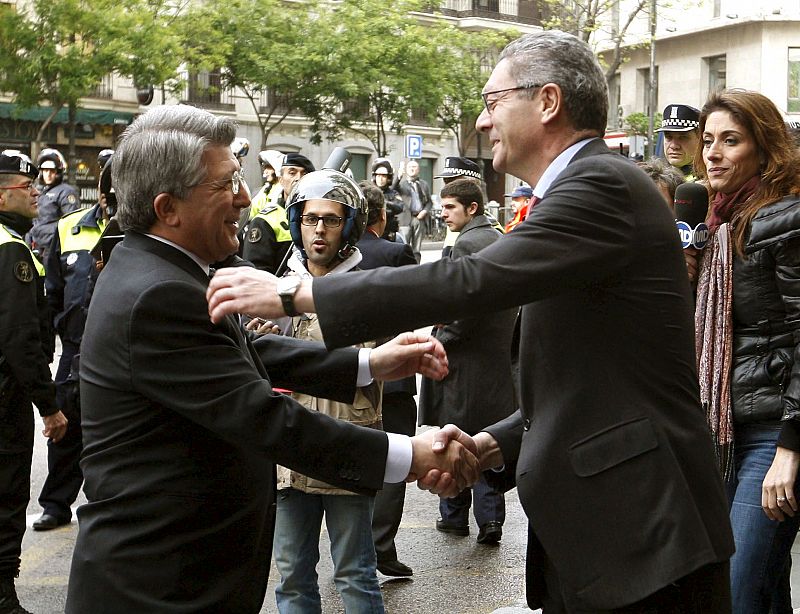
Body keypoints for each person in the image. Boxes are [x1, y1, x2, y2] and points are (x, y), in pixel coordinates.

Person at [208, 30, 736, 613]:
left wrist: (296, 296)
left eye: (492, 102)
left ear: (548, 102)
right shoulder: (582, 190)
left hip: (644, 533)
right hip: (611, 531)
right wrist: (489, 444)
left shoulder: (601, 185)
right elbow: (587, 378)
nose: (483, 124)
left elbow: (469, 280)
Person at [63, 105, 479, 614]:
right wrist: (409, 456)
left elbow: (247, 350)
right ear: (168, 207)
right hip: (161, 585)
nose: (244, 198)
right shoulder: (158, 292)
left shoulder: (161, 269)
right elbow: (264, 417)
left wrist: (368, 365)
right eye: (225, 186)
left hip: (177, 575)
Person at [686, 89, 800, 614]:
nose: (712, 153)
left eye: (730, 141)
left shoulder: (784, 220)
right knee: (763, 590)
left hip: (774, 436)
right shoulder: (716, 228)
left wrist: (790, 449)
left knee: (736, 594)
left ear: (764, 148)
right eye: (707, 140)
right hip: (727, 430)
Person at [272, 168, 387, 612]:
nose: (319, 229)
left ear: (350, 224)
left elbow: (381, 366)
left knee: (354, 573)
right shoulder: (277, 287)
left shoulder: (368, 288)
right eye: (309, 218)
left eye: (331, 219)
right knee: (292, 574)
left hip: (347, 447)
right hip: (291, 449)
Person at [419, 178, 517, 545]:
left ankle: (455, 515)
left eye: (449, 207)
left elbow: (461, 308)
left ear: (471, 208)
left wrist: (437, 341)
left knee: (456, 435)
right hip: (495, 359)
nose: (442, 214)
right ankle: (491, 519)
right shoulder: (498, 236)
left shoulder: (469, 243)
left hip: (464, 361)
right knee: (489, 432)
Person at [0, 150, 68, 614]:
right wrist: (49, 405)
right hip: (4, 400)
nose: (37, 193)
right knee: (6, 495)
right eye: (27, 188)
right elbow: (20, 339)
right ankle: (3, 595)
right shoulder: (11, 248)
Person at [32, 153, 114, 532]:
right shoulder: (68, 227)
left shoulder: (137, 231)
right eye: (106, 183)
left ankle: (106, 506)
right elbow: (52, 293)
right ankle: (55, 504)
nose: (109, 191)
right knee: (65, 429)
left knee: (110, 433)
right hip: (73, 350)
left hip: (116, 352)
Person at [356, 181, 417, 577]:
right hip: (392, 380)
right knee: (394, 466)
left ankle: (353, 549)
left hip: (341, 376)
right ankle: (380, 546)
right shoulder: (395, 252)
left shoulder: (322, 254)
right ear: (381, 216)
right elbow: (420, 304)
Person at [242, 152, 314, 274]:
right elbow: (255, 274)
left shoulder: (321, 218)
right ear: (280, 180)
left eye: (305, 174)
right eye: (292, 173)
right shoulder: (265, 220)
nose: (298, 178)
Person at [27, 148, 81, 261]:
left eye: (52, 171)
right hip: (35, 245)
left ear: (58, 172)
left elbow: (72, 222)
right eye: (45, 171)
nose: (48, 174)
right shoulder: (38, 191)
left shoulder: (65, 192)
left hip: (53, 248)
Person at [394, 158, 431, 262]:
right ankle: (405, 269)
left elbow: (429, 202)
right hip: (405, 219)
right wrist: (399, 176)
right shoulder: (402, 185)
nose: (412, 169)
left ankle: (416, 268)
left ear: (418, 170)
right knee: (404, 247)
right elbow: (393, 188)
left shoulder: (424, 184)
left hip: (419, 219)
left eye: (414, 167)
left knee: (417, 249)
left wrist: (425, 211)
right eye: (410, 167)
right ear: (406, 169)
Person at [658, 103, 700, 180]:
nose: (674, 146)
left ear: (699, 138)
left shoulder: (711, 181)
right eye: (668, 137)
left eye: (683, 137)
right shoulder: (654, 179)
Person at [370, 159, 403, 243]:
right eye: (378, 176)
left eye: (383, 176)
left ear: (388, 178)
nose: (380, 179)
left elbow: (400, 207)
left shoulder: (393, 193)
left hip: (389, 235)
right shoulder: (369, 192)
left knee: (403, 244)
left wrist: (385, 204)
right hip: (371, 234)